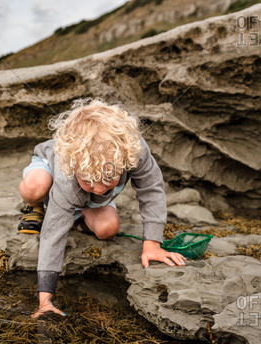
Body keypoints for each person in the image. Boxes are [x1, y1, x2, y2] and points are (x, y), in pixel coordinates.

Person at [17, 98, 186, 318]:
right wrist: (45, 299)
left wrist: (152, 244)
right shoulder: (67, 177)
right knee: (35, 186)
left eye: (109, 179)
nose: (98, 189)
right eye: (88, 181)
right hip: (48, 173)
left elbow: (151, 189)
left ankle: (79, 211)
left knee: (108, 229)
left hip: (79, 197)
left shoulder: (133, 149)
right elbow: (52, 235)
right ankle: (35, 206)